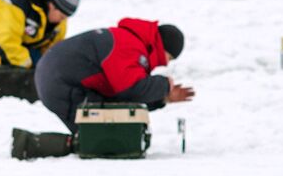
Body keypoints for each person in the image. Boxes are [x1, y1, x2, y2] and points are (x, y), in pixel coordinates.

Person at [32, 18, 193, 138]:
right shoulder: (129, 46)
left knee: (95, 139)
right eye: (169, 58)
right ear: (162, 47)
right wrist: (163, 85)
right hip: (61, 83)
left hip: (55, 79)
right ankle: (32, 146)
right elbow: (129, 90)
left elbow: (120, 95)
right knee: (100, 140)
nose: (165, 64)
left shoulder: (130, 42)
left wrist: (162, 98)